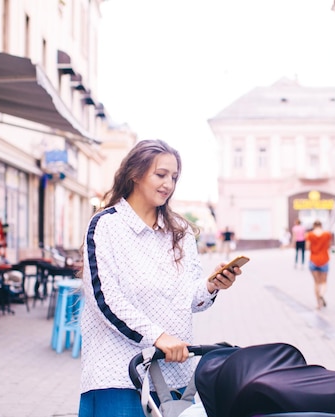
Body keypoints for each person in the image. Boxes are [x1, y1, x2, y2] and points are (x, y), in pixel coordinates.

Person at [78, 139, 243, 417]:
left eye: (174, 177)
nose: (168, 183)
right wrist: (158, 337)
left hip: (174, 371)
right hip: (118, 371)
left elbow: (189, 298)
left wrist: (212, 286)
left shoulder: (179, 230)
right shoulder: (106, 225)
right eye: (161, 174)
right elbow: (104, 298)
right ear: (135, 173)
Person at [305, 220, 332, 310]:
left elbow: (307, 247)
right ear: (321, 226)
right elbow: (329, 246)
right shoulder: (327, 234)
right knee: (324, 282)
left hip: (313, 260)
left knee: (316, 283)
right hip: (324, 259)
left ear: (314, 226)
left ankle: (318, 303)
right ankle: (321, 294)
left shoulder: (310, 235)